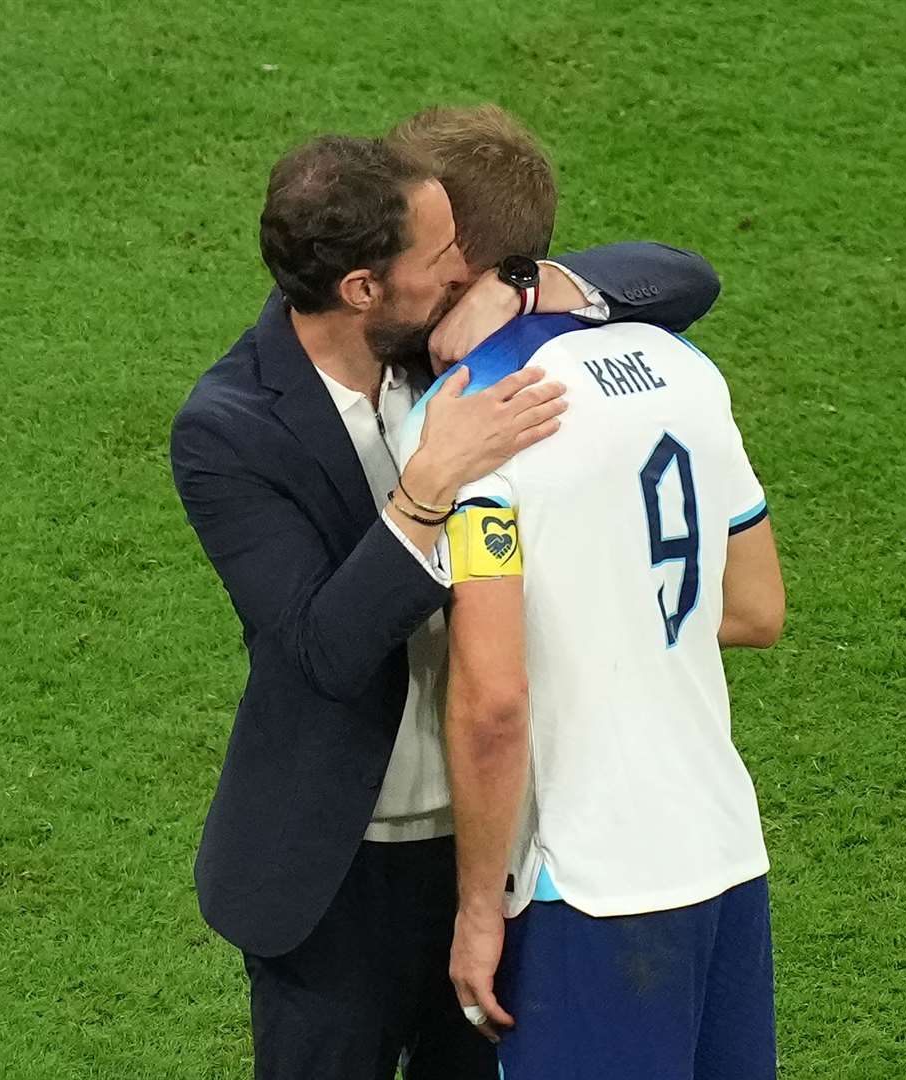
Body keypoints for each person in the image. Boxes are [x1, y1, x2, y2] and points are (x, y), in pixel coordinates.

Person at [170, 127, 724, 1079]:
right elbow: (322, 652)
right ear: (362, 290)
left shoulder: (444, 332)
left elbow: (681, 280)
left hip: (491, 849)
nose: (466, 271)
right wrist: (428, 488)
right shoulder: (230, 430)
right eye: (444, 260)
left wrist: (530, 286)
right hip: (332, 878)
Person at [392, 106, 787, 1079]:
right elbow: (755, 609)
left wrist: (478, 909)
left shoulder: (468, 422)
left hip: (589, 886)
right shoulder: (681, 363)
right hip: (723, 856)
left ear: (455, 253)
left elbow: (493, 702)